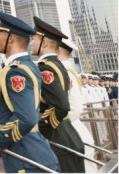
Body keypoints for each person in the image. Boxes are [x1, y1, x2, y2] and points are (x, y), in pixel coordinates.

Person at [0, 11, 59, 173]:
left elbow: (27, 119)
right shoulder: (21, 66)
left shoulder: (17, 71)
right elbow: (0, 86)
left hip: (26, 156)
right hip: (25, 150)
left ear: (11, 38)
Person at [31, 16, 85, 173]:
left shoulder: (46, 68)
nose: (31, 43)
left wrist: (42, 129)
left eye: (34, 39)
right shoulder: (57, 65)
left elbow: (61, 105)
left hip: (58, 137)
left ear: (45, 42)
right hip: (66, 134)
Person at [58, 40, 97, 173]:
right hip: (74, 128)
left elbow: (75, 108)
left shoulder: (65, 72)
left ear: (57, 51)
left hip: (71, 130)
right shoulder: (68, 71)